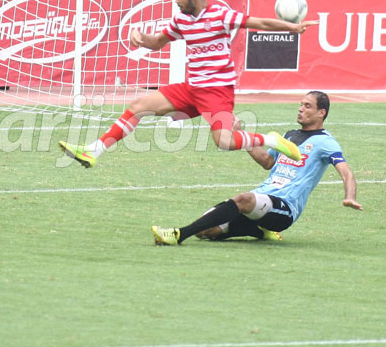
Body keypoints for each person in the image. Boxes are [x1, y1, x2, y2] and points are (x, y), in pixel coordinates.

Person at [59, 0, 318, 168]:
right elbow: (157, 43)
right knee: (138, 106)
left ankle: (271, 140)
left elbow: (258, 23)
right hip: (192, 88)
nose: (176, 1)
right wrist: (140, 37)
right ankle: (94, 151)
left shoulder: (220, 14)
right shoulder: (182, 20)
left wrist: (292, 27)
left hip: (217, 90)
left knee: (224, 141)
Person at [151, 91, 363, 245]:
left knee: (243, 199)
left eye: (308, 106)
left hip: (285, 208)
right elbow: (267, 162)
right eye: (301, 104)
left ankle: (179, 234)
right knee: (206, 231)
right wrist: (241, 135)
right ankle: (260, 232)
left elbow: (346, 172)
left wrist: (350, 197)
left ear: (321, 112)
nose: (300, 108)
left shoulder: (326, 142)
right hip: (263, 198)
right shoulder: (289, 135)